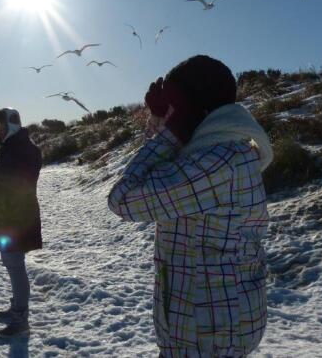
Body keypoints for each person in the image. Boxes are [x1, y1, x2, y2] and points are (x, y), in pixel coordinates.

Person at [107, 55, 273, 358]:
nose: (168, 116)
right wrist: (161, 125)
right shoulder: (219, 152)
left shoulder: (216, 165)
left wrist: (172, 133)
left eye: (173, 107)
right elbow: (160, 171)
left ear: (192, 109)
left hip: (208, 334)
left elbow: (123, 198)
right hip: (212, 322)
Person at [0, 107, 42, 339]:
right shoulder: (7, 148)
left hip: (20, 218)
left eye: (2, 127)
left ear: (13, 125)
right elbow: (2, 181)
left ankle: (21, 320)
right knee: (11, 264)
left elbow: (25, 183)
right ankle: (16, 309)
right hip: (7, 216)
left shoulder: (29, 149)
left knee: (16, 266)